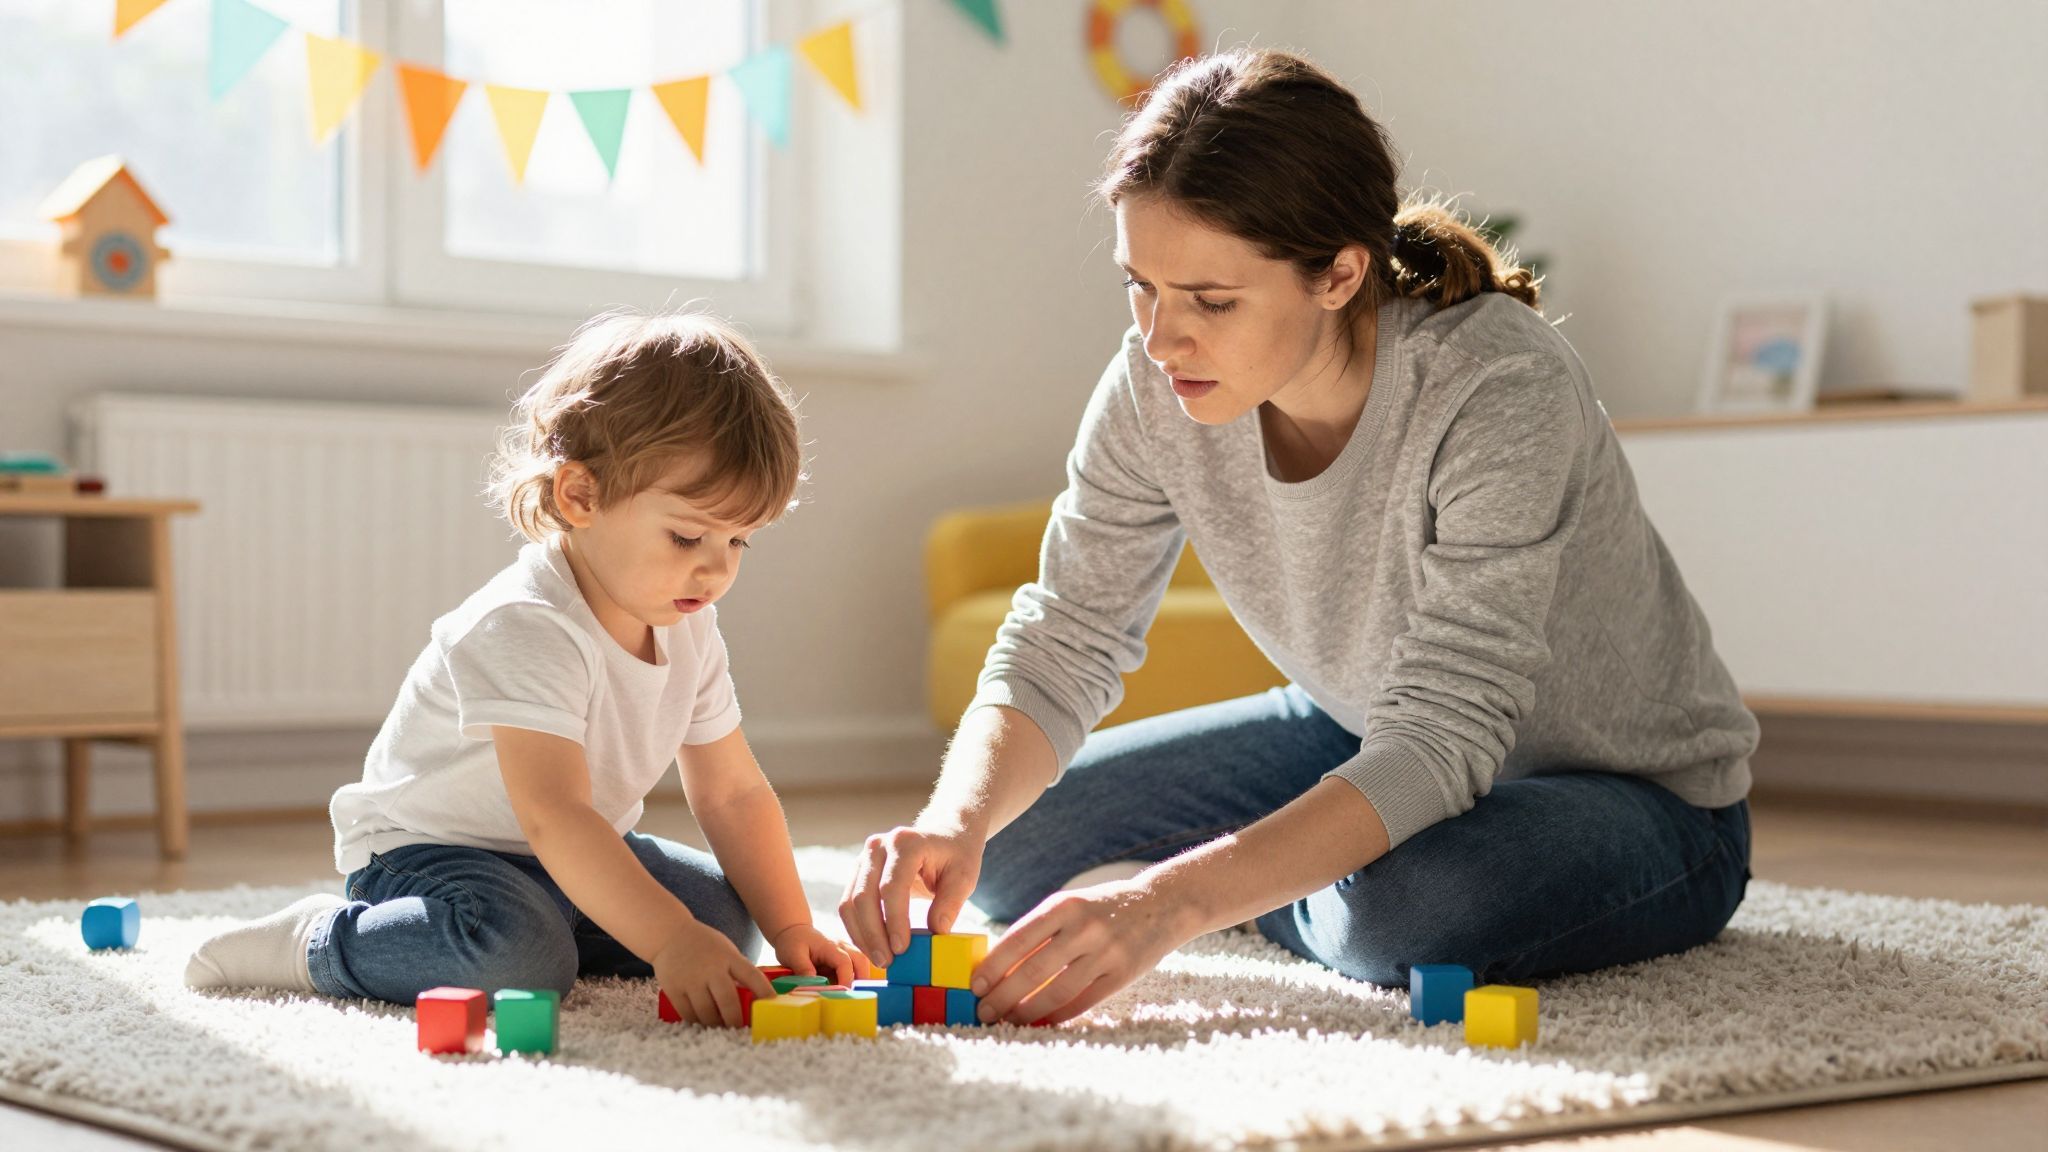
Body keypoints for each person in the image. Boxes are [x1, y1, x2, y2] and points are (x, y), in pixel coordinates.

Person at [840, 48, 1757, 1028]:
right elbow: (1064, 637)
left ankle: (1262, 879)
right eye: (1137, 286)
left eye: (1209, 300)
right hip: (1351, 724)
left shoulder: (1495, 386)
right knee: (1017, 849)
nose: (1159, 339)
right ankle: (1282, 866)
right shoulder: (1154, 385)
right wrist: (950, 821)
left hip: (1631, 796)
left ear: (1337, 275)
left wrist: (1169, 901)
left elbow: (1444, 730)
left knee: (1401, 913)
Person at [186, 310, 857, 1026]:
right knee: (520, 960)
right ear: (580, 497)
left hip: (570, 850)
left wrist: (790, 930)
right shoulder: (527, 624)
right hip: (432, 851)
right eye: (688, 534)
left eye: (740, 542)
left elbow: (731, 793)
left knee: (726, 921)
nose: (716, 568)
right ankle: (319, 941)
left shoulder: (688, 622)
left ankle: (564, 920)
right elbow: (554, 814)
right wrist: (664, 937)